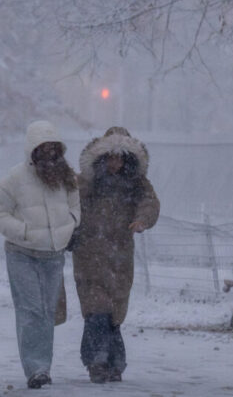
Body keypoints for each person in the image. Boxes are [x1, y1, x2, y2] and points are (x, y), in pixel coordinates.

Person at [0, 120, 80, 389]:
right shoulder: (15, 178)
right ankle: (36, 369)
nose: (50, 153)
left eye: (54, 148)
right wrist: (23, 231)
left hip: (53, 255)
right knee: (30, 311)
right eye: (44, 147)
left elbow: (75, 204)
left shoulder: (67, 178)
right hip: (22, 254)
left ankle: (44, 366)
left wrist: (70, 224)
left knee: (46, 311)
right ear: (33, 149)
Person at [70, 126, 160, 383]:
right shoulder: (87, 182)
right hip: (89, 254)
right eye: (110, 157)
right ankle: (98, 361)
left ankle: (113, 362)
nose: (114, 163)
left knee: (114, 312)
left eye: (119, 158)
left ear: (128, 158)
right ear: (101, 157)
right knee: (96, 308)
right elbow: (71, 201)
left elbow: (150, 203)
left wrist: (142, 220)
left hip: (120, 257)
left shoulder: (136, 183)